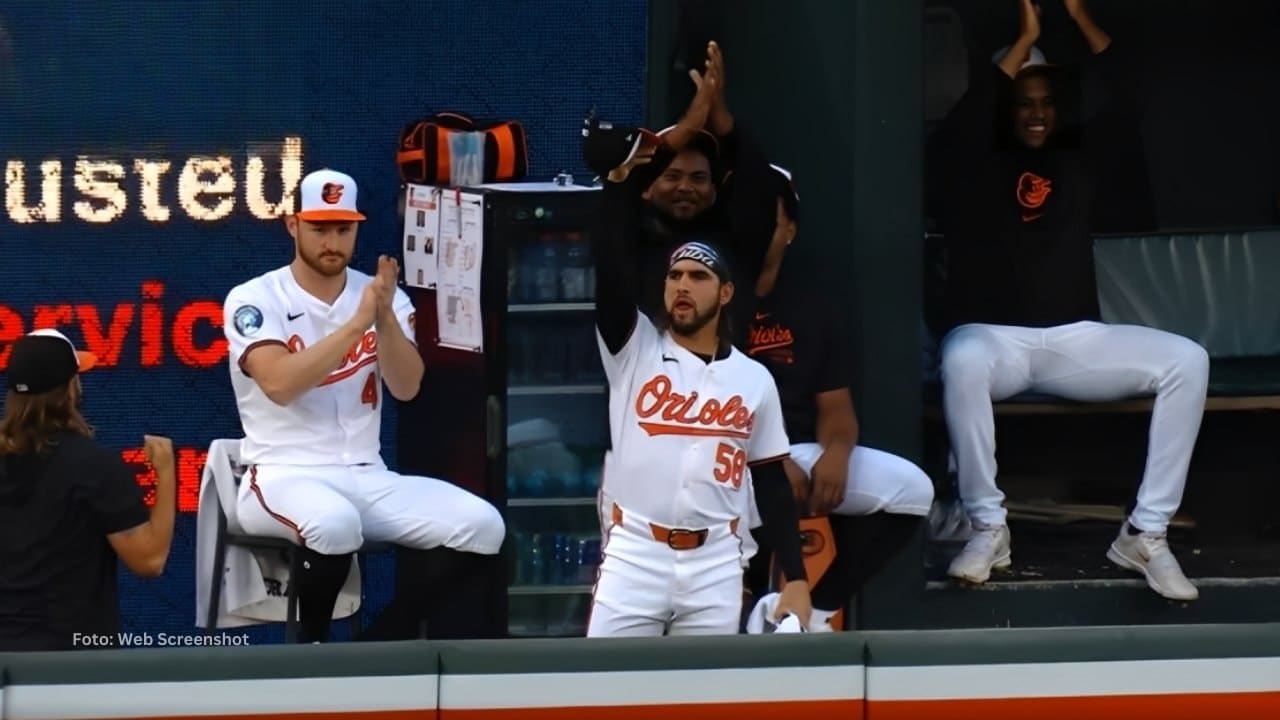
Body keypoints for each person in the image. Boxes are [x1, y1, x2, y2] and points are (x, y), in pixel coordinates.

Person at [930, 0, 1208, 600]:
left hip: (1074, 340)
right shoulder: (973, 158)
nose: (1035, 113)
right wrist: (1026, 35)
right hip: (994, 337)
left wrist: (1078, 16)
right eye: (1023, 102)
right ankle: (987, 526)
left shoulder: (1077, 158)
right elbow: (963, 124)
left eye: (1045, 103)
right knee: (962, 358)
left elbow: (1129, 93)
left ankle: (1146, 533)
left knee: (1187, 359)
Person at [222, 168, 505, 642]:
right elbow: (278, 384)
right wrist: (358, 325)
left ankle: (381, 642)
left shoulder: (381, 296)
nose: (332, 241)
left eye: (343, 229)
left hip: (365, 473)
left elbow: (407, 387)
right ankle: (313, 658)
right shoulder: (254, 297)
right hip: (281, 472)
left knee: (483, 526)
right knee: (333, 524)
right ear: (293, 225)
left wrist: (385, 318)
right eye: (319, 228)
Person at [585, 134, 811, 636]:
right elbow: (612, 271)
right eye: (675, 276)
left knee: (705, 698)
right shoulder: (634, 349)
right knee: (604, 694)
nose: (682, 285)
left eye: (698, 276)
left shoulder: (754, 379)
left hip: (715, 562)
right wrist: (618, 185)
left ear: (726, 292)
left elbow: (771, 482)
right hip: (635, 553)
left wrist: (795, 576)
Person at [742, 167, 936, 631]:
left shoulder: (811, 306)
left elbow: (835, 406)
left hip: (796, 451)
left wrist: (837, 453)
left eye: (768, 218)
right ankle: (755, 604)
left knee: (912, 490)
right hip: (728, 459)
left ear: (789, 230)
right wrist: (764, 458)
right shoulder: (715, 296)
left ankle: (821, 607)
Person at [583, 40, 778, 343]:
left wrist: (722, 121)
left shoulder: (732, 244)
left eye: (698, 178)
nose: (686, 187)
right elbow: (620, 192)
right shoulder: (628, 243)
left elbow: (759, 195)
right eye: (672, 176)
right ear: (647, 188)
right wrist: (686, 129)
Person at [0, 328, 176, 651]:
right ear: (70, 389)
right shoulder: (95, 467)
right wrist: (166, 472)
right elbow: (150, 560)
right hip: (76, 666)